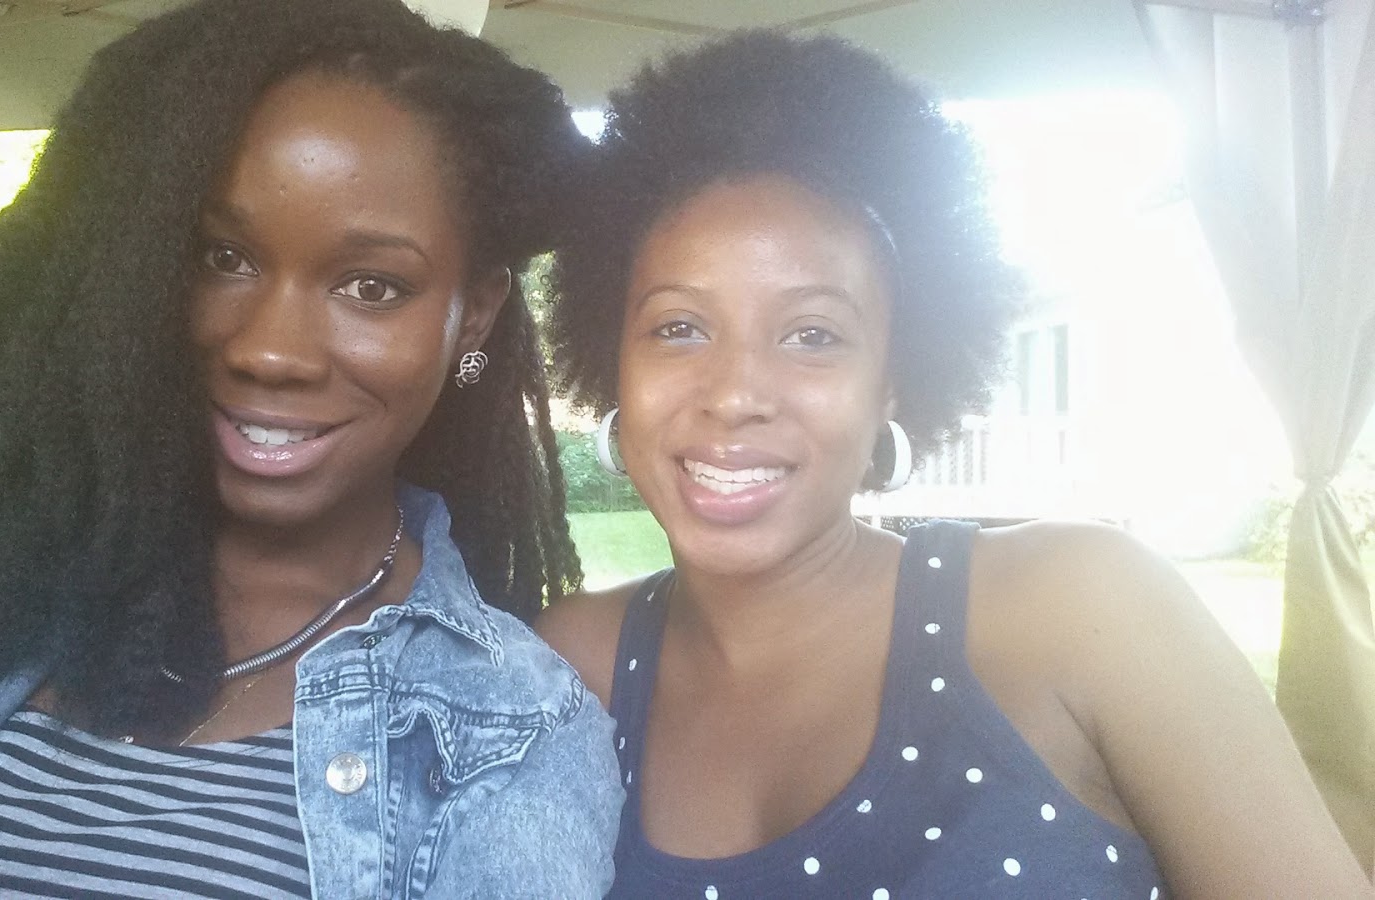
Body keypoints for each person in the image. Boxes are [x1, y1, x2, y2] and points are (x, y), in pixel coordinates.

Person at [0, 0, 623, 895]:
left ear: (473, 317)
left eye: (372, 286)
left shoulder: (515, 731)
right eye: (223, 257)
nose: (270, 351)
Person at [540, 31, 1372, 899]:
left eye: (813, 335)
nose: (735, 394)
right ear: (613, 358)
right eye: (678, 327)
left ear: (893, 382)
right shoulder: (572, 666)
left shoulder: (1083, 610)